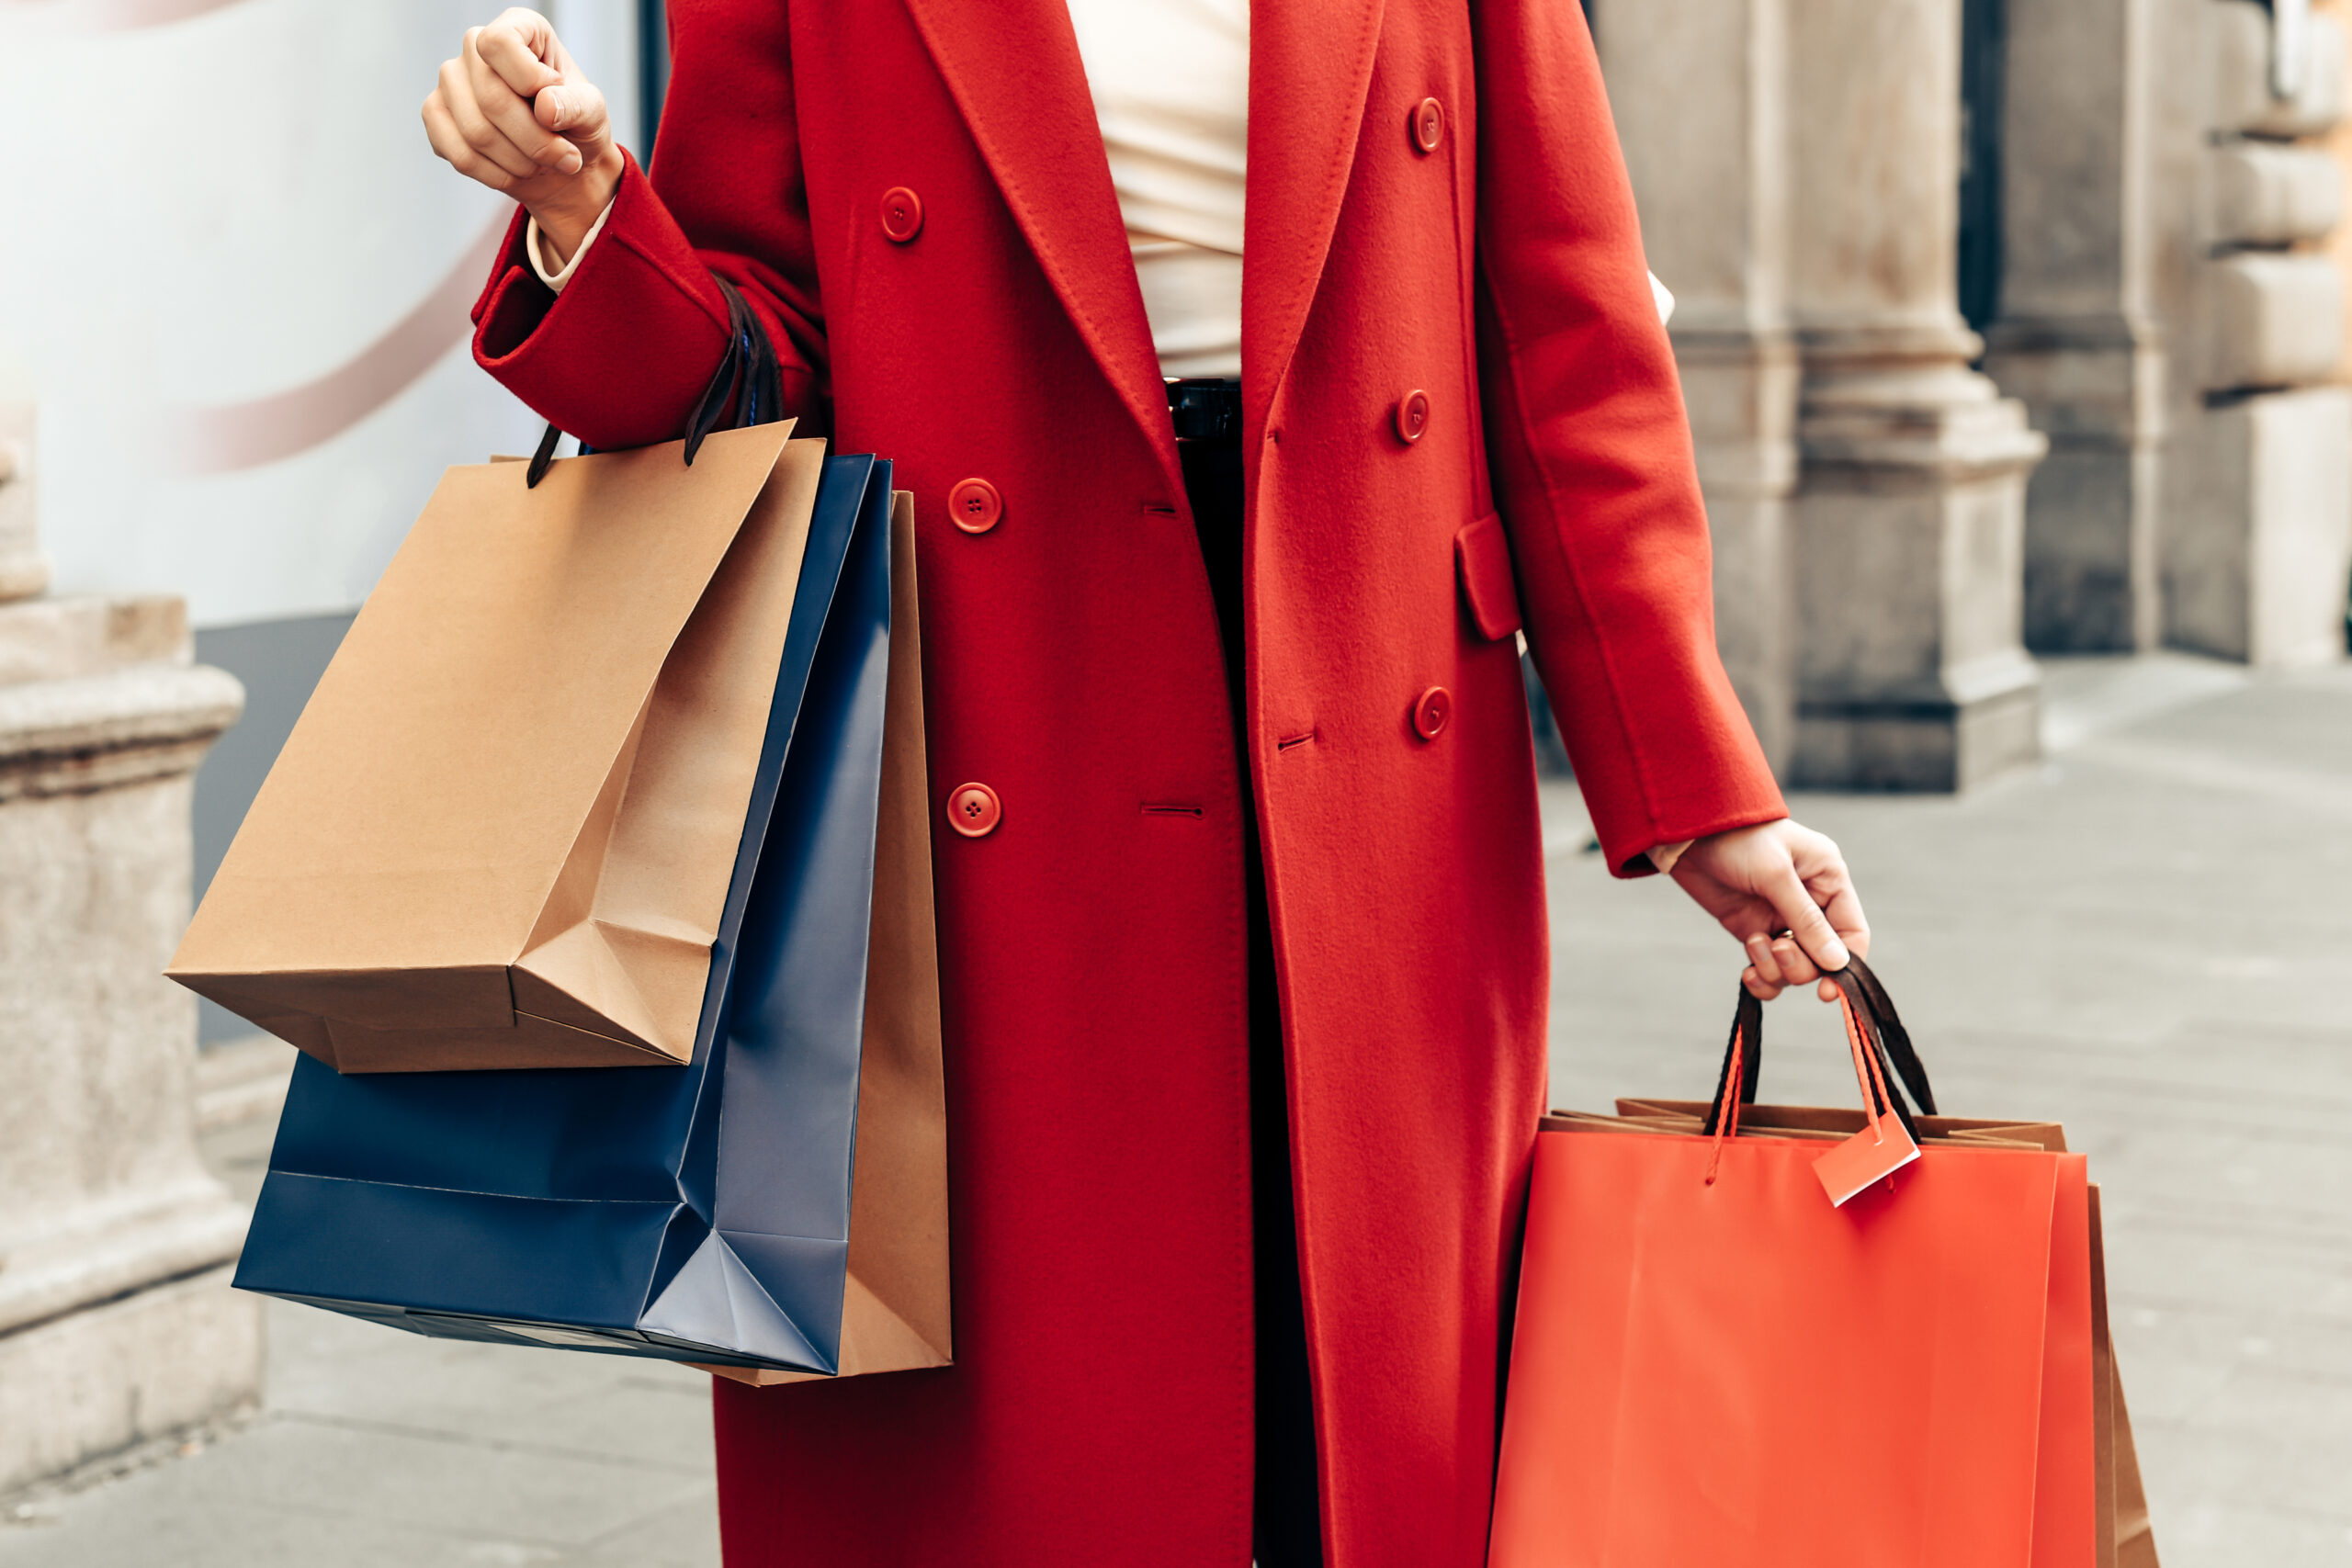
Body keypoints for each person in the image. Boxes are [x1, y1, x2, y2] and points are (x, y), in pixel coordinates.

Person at [423, 6, 1869, 1564]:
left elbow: (1568, 337)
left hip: (1362, 681)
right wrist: (583, 217)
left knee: (1350, 1403)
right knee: (1043, 1430)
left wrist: (1696, 778)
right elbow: (757, 355)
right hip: (995, 706)